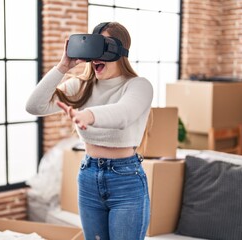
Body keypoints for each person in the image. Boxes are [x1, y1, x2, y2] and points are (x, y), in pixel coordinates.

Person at [26, 22, 153, 240]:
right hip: (89, 176)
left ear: (120, 51)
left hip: (126, 180)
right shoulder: (80, 86)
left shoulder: (138, 86)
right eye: (92, 48)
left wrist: (88, 115)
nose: (96, 57)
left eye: (103, 47)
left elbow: (124, 114)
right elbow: (34, 106)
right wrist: (63, 67)